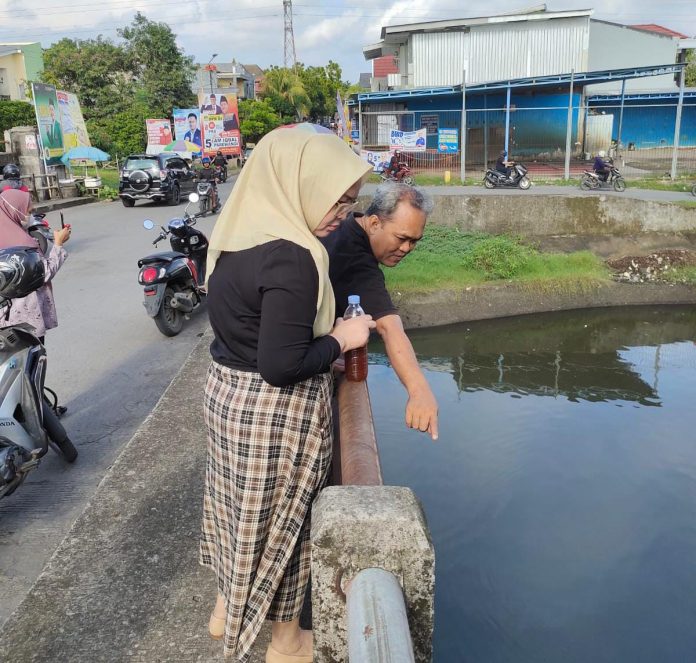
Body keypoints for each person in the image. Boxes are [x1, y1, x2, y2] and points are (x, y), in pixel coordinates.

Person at [200, 127, 373, 662]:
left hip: (228, 398)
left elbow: (253, 336)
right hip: (272, 414)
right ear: (296, 182)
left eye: (350, 200)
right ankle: (285, 642)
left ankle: (228, 605)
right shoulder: (294, 256)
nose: (342, 211)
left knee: (238, 514)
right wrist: (343, 338)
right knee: (283, 530)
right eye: (335, 196)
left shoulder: (237, 234)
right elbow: (281, 365)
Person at [321, 182, 439, 440]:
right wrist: (419, 390)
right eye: (401, 238)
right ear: (374, 223)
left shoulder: (346, 224)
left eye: (414, 241)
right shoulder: (355, 258)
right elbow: (389, 326)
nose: (407, 248)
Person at [0, 189, 71, 344]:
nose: (30, 216)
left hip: (5, 318)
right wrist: (58, 245)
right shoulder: (20, 244)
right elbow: (42, 273)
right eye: (28, 211)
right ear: (15, 210)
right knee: (30, 364)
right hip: (23, 321)